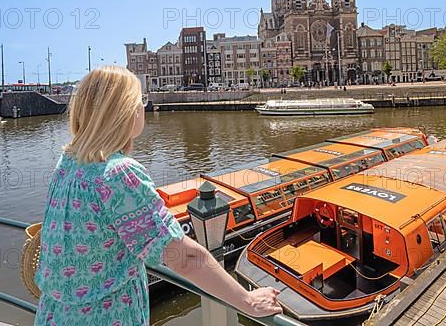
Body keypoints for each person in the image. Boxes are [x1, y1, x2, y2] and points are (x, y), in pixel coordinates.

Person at [34, 66, 281, 325]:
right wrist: (248, 301)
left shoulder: (68, 161)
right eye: (139, 100)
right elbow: (183, 258)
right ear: (125, 112)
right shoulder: (120, 174)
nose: (143, 107)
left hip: (54, 315)